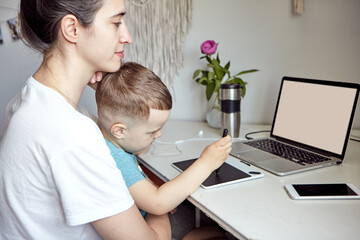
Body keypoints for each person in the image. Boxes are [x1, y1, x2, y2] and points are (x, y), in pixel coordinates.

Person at [0, 0, 171, 239]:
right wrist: (160, 205)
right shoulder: (71, 132)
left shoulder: (27, 103)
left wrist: (106, 91)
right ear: (72, 29)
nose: (127, 36)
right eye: (116, 22)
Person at [95, 62, 232, 239]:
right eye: (152, 131)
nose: (159, 134)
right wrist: (206, 162)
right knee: (218, 232)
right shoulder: (116, 158)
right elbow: (158, 203)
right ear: (119, 131)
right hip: (157, 225)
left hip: (160, 217)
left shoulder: (113, 142)